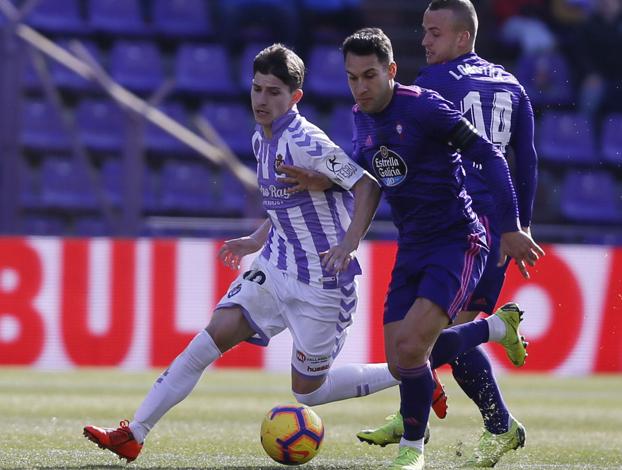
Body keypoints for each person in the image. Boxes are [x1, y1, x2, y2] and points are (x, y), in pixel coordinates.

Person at [81, 43, 528, 465]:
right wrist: (257, 240)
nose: (262, 99)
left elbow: (365, 182)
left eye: (273, 92)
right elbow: (282, 202)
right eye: (257, 88)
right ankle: (135, 433)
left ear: (294, 96)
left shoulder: (307, 141)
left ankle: (411, 373)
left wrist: (348, 242)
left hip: (321, 283)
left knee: (309, 394)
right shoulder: (262, 139)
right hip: (276, 266)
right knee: (209, 339)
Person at [340, 27, 544, 469]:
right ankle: (496, 334)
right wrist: (349, 235)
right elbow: (371, 175)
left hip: (459, 238)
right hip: (412, 244)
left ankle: (413, 449)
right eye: (353, 77)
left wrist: (512, 225)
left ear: (391, 71)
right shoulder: (361, 114)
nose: (361, 85)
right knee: (402, 360)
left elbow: (497, 155)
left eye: (369, 75)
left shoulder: (427, 101)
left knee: (416, 347)